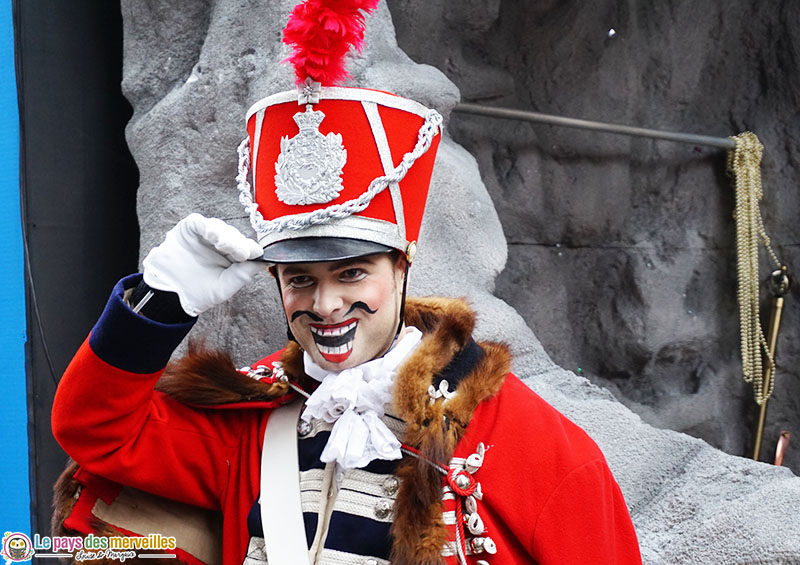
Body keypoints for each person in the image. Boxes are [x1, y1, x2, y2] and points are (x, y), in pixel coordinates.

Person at [51, 1, 642, 563]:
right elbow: (94, 430)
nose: (326, 305)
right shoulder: (257, 421)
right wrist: (159, 303)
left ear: (402, 266)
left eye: (352, 272)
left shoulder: (522, 433)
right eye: (299, 279)